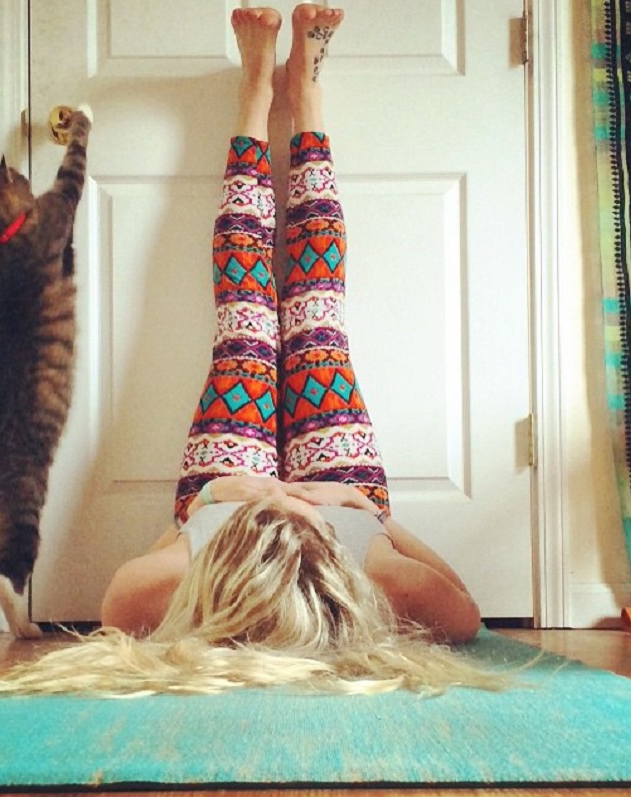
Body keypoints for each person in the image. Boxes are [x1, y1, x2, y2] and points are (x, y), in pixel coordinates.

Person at [100, 3, 481, 647]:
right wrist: (368, 515)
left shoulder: (188, 584)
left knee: (244, 328)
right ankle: (306, 98)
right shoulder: (382, 585)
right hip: (341, 492)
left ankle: (255, 95)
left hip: (227, 498)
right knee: (316, 315)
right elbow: (467, 610)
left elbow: (120, 601)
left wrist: (209, 502)